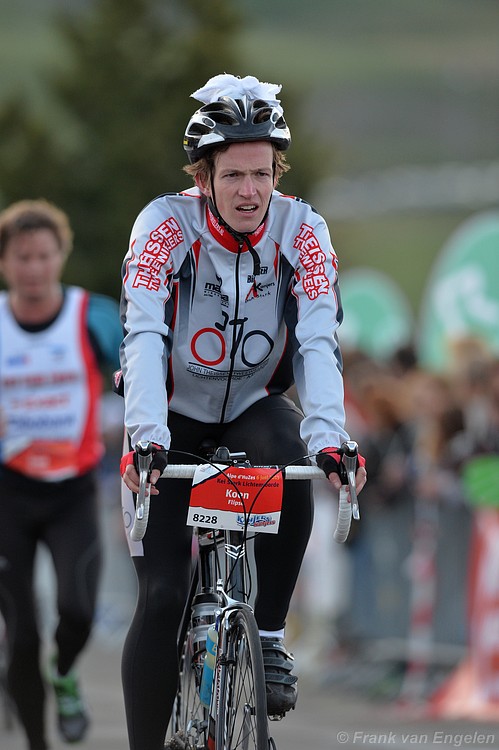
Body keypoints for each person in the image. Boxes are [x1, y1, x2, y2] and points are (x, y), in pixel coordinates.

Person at [119, 73, 367, 750]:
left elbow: (318, 339)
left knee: (291, 453)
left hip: (254, 406)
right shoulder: (163, 226)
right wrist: (145, 435)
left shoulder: (302, 229)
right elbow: (143, 333)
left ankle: (269, 634)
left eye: (261, 174)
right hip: (171, 414)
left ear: (277, 173)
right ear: (203, 177)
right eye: (233, 175)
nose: (250, 191)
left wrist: (331, 437)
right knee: (164, 596)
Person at [0, 199, 122, 750]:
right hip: (9, 493)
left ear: (60, 256)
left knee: (76, 611)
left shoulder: (92, 316)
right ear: (6, 262)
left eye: (43, 256)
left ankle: (66, 674)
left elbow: (141, 373)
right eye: (22, 257)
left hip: (73, 490)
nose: (34, 268)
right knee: (22, 637)